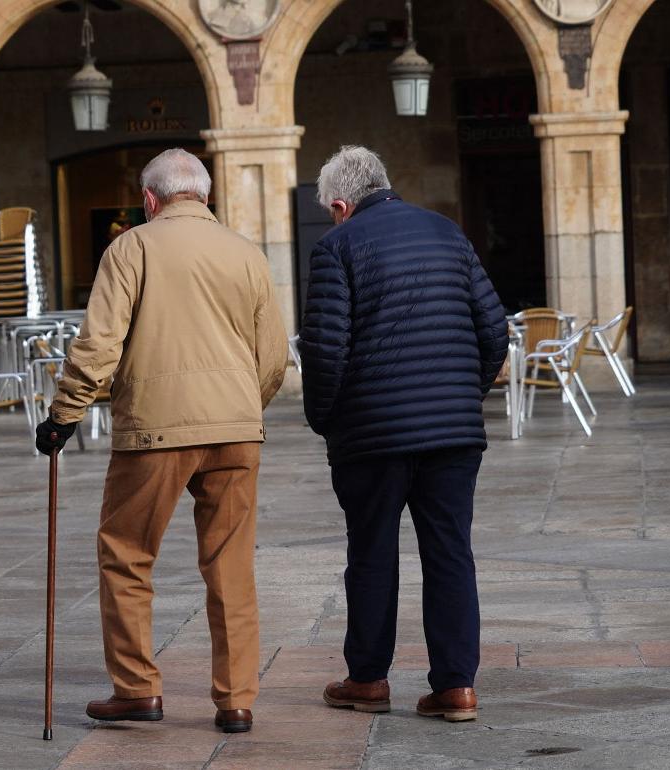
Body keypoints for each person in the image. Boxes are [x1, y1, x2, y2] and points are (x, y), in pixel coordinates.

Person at [35, 148, 288, 734]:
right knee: (231, 566)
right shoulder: (246, 253)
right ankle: (235, 700)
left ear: (150, 199)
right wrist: (244, 407)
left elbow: (99, 344)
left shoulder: (132, 247)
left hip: (153, 430)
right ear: (204, 196)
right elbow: (274, 356)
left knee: (126, 555)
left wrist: (64, 414)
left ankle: (137, 688)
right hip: (236, 431)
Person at [298, 146, 507, 721]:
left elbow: (324, 352)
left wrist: (325, 419)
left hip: (371, 437)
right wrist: (465, 397)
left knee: (371, 554)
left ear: (341, 204)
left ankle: (367, 680)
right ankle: (456, 688)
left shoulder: (336, 247)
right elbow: (495, 330)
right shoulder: (446, 232)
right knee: (450, 554)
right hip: (454, 435)